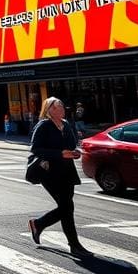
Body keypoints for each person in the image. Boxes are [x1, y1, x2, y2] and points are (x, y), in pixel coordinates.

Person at [27, 97, 92, 258]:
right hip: (49, 172)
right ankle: (74, 245)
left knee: (66, 207)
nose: (62, 109)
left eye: (62, 106)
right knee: (66, 207)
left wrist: (74, 152)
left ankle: (38, 224)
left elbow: (71, 144)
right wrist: (59, 154)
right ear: (49, 110)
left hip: (67, 171)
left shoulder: (66, 124)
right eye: (57, 106)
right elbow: (35, 149)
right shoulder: (43, 125)